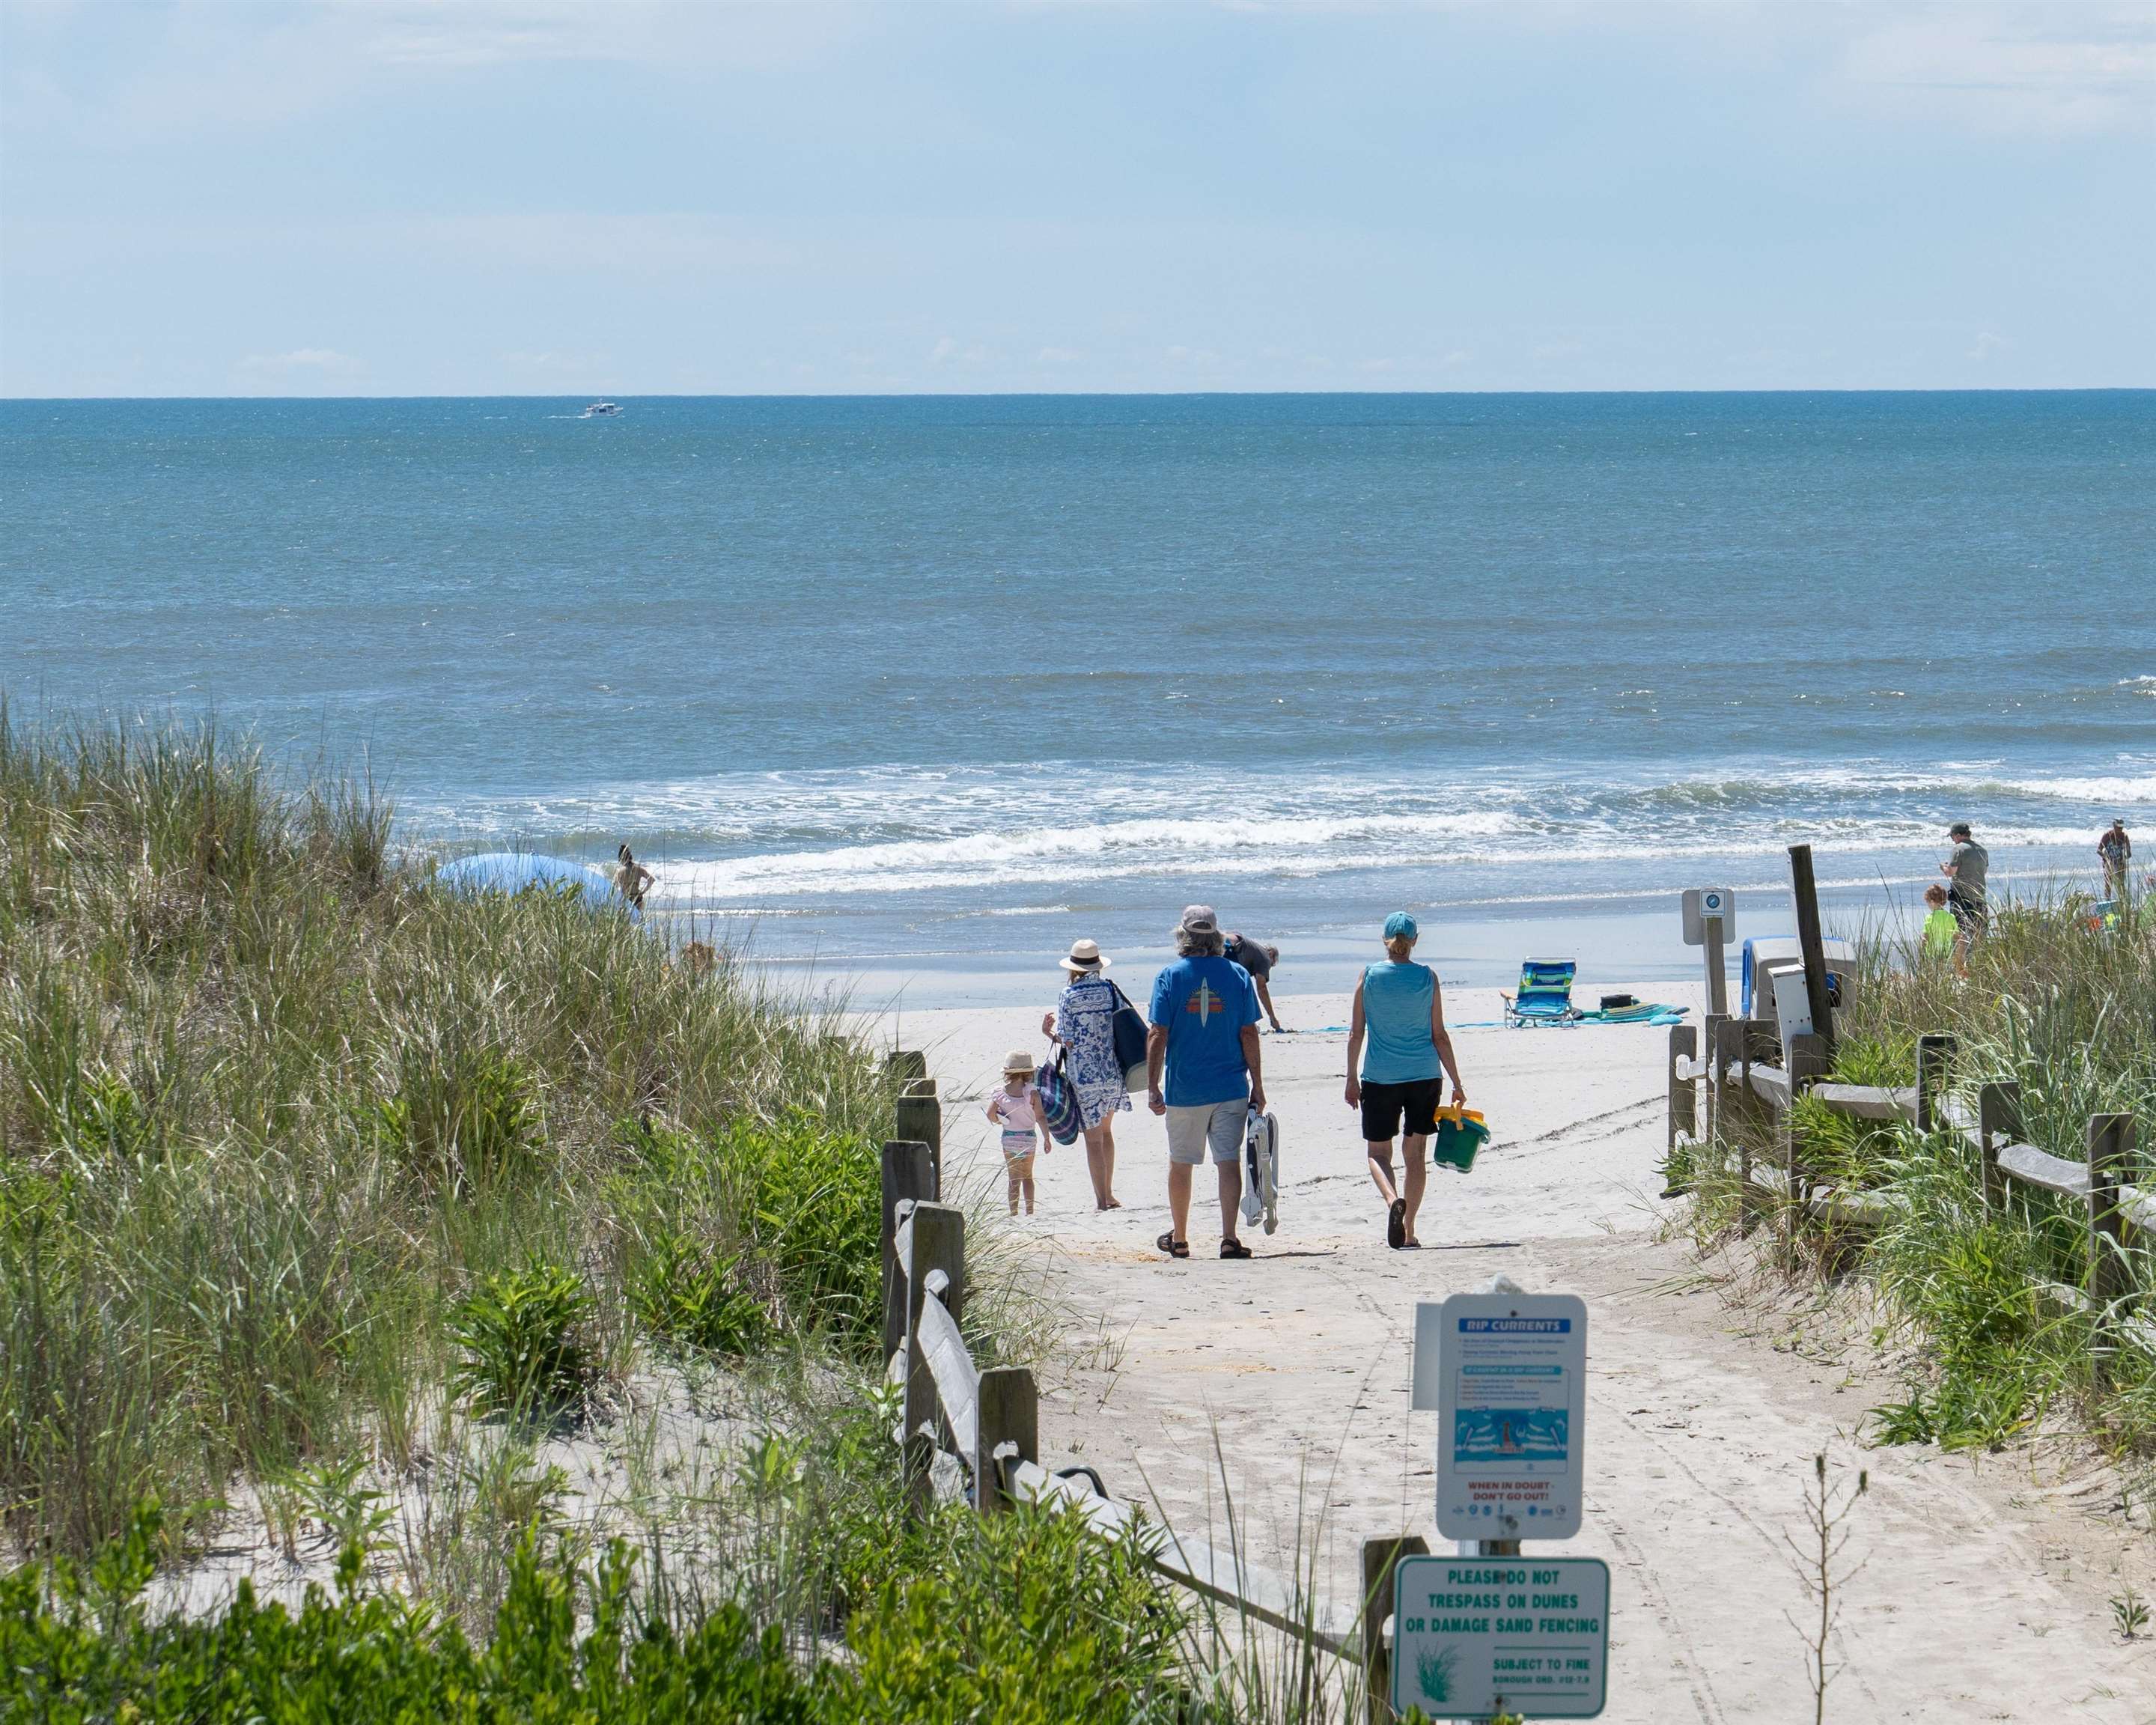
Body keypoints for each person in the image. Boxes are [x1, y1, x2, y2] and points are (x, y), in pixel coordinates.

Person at [1147, 905, 1264, 1260]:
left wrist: (1153, 1086)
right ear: (1215, 936)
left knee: (1181, 1162)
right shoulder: (1238, 975)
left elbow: (1157, 1034)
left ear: (1182, 936)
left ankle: (1180, 1238)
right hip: (1230, 1086)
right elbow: (1249, 1032)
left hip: (1185, 1088)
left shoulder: (1169, 976)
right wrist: (1258, 1084)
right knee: (1227, 1160)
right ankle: (1229, 1238)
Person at [1343, 912, 1466, 1250]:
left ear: (1385, 940)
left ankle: (1391, 1201)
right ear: (1414, 940)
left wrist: (1351, 1078)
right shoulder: (1427, 977)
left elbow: (1356, 1033)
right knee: (1416, 1155)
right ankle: (1409, 1229)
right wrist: (1456, 1081)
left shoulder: (1368, 976)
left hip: (1380, 1077)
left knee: (1378, 1152)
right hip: (1425, 1076)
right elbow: (1439, 1035)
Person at [1041, 938, 1127, 1210]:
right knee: (1107, 1132)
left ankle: (1101, 1200)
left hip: (1085, 1074)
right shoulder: (1109, 990)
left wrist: (1048, 1033)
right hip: (1111, 1070)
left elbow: (1067, 1039)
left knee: (1093, 1140)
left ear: (1073, 967)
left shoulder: (1068, 994)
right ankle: (1110, 1194)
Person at [985, 1050, 1050, 1216]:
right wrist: (1047, 1138)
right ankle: (1030, 1211)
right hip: (1028, 1138)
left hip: (1009, 1139)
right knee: (1028, 1177)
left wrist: (1002, 1120)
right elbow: (1041, 1117)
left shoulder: (1000, 1093)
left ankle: (1013, 1213)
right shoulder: (1032, 1093)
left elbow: (990, 1115)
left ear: (1007, 1072)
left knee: (1013, 1179)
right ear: (1029, 1073)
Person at [1940, 821, 1988, 976]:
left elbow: (1951, 872)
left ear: (1959, 835)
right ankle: (1976, 963)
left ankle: (1959, 968)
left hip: (1962, 897)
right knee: (1979, 932)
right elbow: (1984, 870)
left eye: (1953, 836)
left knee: (1961, 933)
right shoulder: (1982, 850)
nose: (1953, 840)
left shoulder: (1958, 849)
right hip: (1980, 896)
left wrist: (1943, 867)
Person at [1224, 931, 1288, 1032]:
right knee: (1242, 991)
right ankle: (1246, 1024)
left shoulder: (1254, 951)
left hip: (1223, 940)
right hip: (1228, 948)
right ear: (1271, 954)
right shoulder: (1265, 958)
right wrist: (1273, 1018)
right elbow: (1262, 989)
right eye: (1272, 965)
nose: (1268, 969)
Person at [1919, 884, 1957, 964]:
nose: (1928, 905)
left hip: (1932, 954)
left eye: (1928, 902)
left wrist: (1921, 955)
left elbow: (1925, 937)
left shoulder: (1929, 918)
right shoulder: (1951, 917)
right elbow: (1956, 936)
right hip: (1947, 953)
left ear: (1932, 902)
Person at [612, 844, 655, 909]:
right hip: (638, 897)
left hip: (627, 898)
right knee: (639, 917)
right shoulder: (639, 869)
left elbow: (614, 886)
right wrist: (643, 892)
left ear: (621, 858)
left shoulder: (620, 872)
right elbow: (651, 880)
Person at [2099, 820, 2132, 898]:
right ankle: (2107, 901)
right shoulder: (2107, 836)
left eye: (2121, 828)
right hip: (2108, 863)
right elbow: (2099, 850)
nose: (2120, 830)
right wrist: (2107, 858)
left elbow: (2129, 853)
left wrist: (2126, 855)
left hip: (2120, 863)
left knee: (2121, 884)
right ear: (2114, 826)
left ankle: (2123, 903)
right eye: (2118, 828)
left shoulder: (2124, 836)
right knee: (2108, 883)